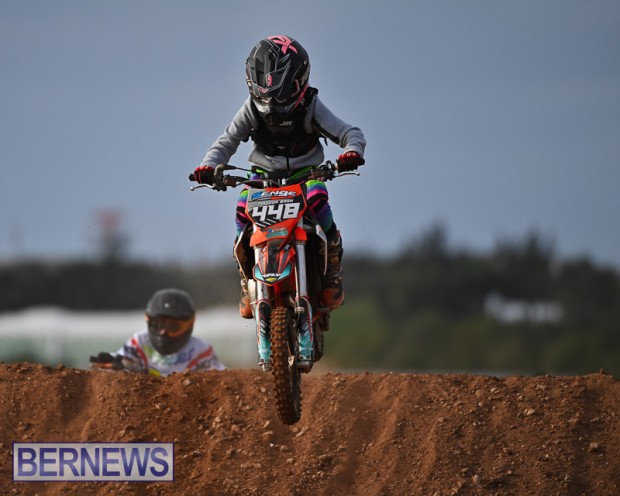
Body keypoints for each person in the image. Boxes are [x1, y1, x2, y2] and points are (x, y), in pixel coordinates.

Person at [193, 35, 366, 319]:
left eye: (281, 94)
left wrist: (352, 152)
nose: (273, 102)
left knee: (318, 198)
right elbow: (226, 142)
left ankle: (332, 263)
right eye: (267, 94)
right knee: (242, 209)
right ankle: (246, 279)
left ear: (299, 82)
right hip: (263, 178)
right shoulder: (251, 108)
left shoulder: (310, 105)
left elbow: (350, 133)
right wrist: (208, 167)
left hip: (306, 176)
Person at [89, 288, 225, 376]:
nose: (163, 332)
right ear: (148, 321)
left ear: (190, 325)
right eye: (158, 324)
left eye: (174, 327)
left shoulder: (200, 351)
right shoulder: (139, 343)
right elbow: (116, 362)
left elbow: (222, 381)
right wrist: (113, 364)